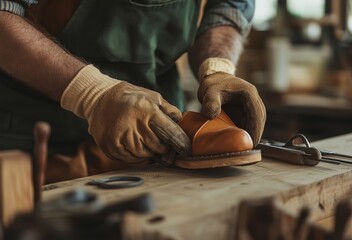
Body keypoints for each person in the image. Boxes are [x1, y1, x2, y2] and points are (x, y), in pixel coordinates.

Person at [0, 0, 266, 182]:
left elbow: (227, 8)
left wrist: (217, 67)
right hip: (33, 132)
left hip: (155, 131)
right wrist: (92, 93)